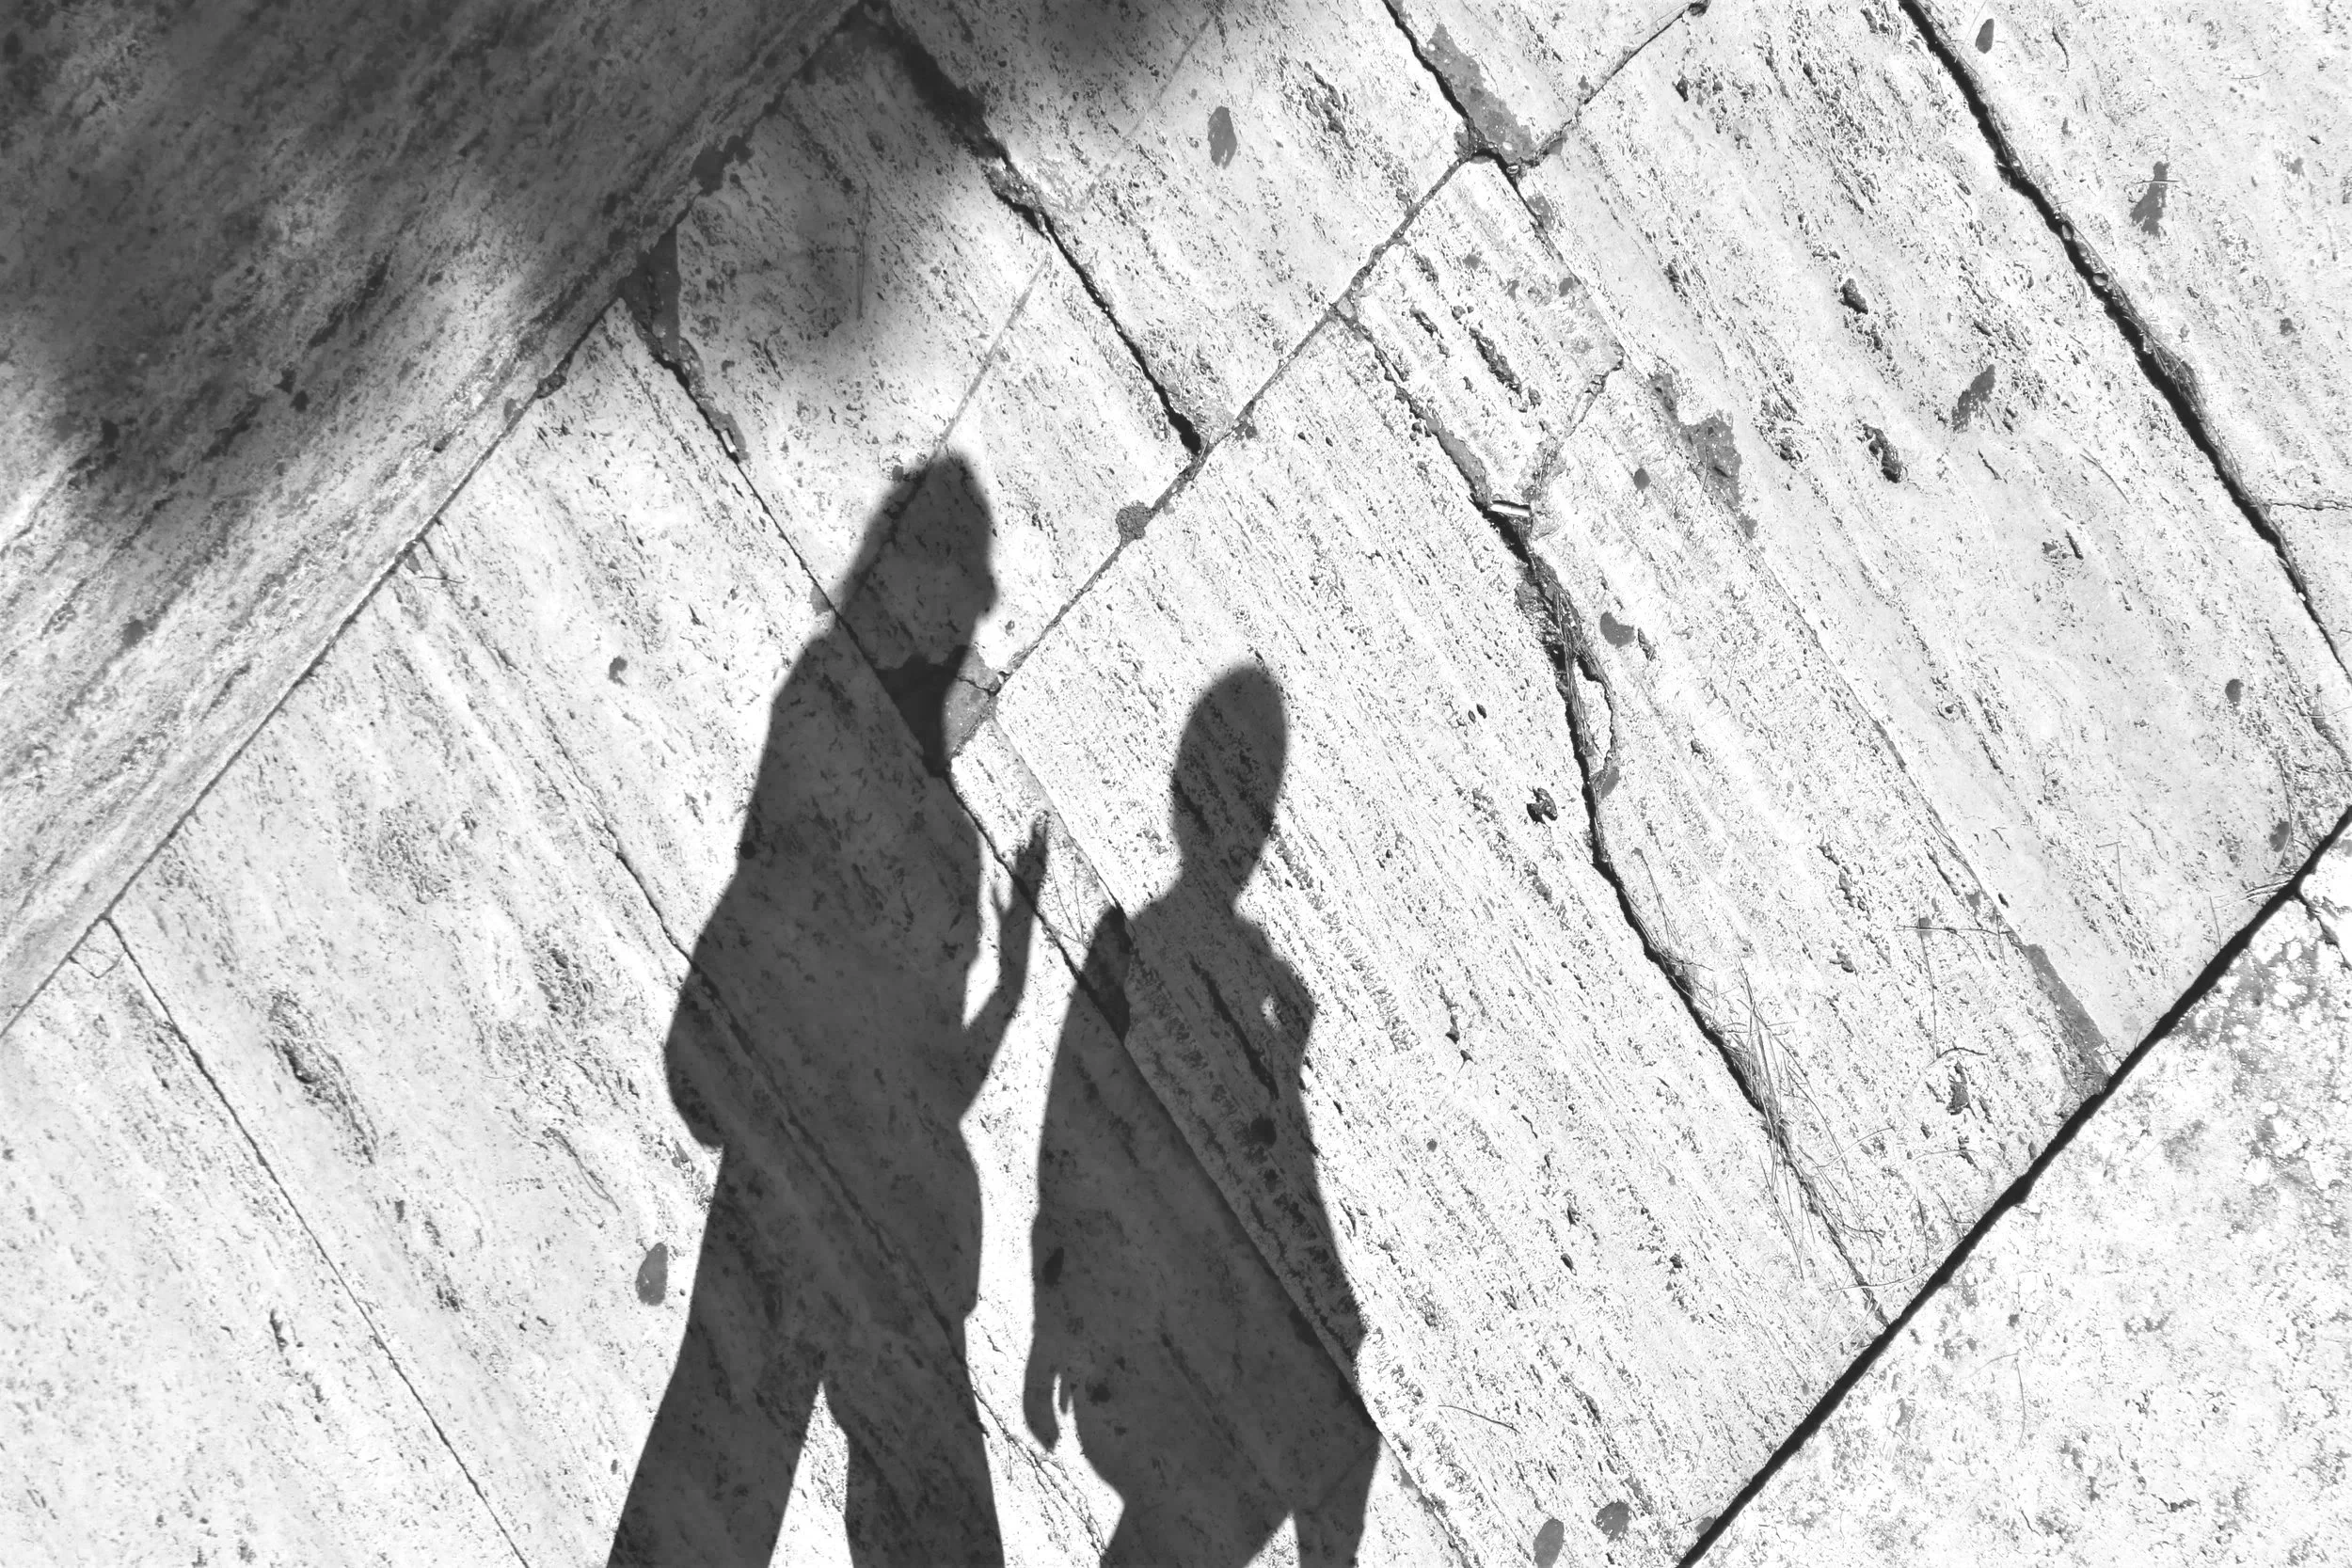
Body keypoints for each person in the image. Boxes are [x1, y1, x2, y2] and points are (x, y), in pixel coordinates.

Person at [611, 455, 1042, 1566]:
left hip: (824, 1162)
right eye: (972, 579)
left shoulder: (835, 717)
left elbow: (921, 1059)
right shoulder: (834, 721)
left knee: (725, 1451)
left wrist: (1003, 991)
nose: (984, 607)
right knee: (762, 1460)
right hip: (826, 1164)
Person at [1025, 666, 1379, 1567]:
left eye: (1255, 816)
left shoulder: (1212, 956)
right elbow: (1072, 1141)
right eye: (1249, 812)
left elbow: (1073, 1137)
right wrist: (1053, 1327)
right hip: (1177, 1321)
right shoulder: (1139, 949)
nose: (1250, 836)